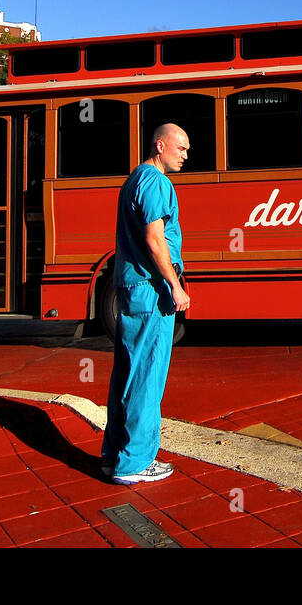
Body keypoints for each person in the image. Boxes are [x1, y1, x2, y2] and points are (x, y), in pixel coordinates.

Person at [100, 123, 192, 484]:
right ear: (160, 145)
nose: (185, 155)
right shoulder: (156, 182)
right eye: (181, 148)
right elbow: (156, 240)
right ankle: (136, 461)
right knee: (147, 377)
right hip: (151, 290)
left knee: (127, 372)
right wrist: (175, 285)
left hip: (131, 288)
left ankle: (115, 455)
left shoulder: (134, 179)